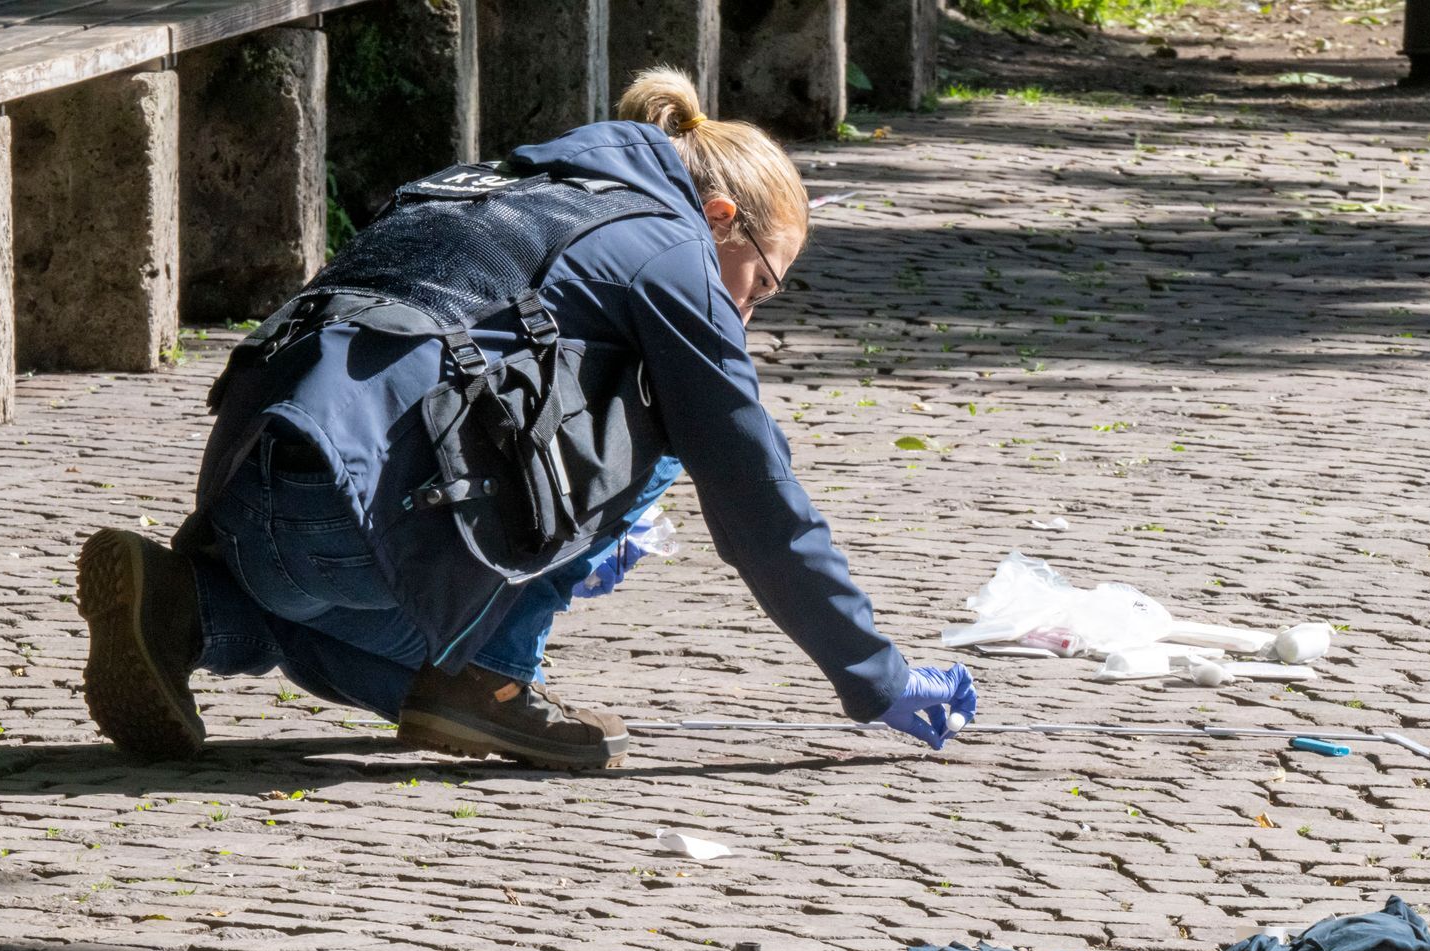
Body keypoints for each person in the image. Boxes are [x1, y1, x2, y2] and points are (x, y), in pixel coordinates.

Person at [74, 68, 978, 770]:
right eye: (759, 287)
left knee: (418, 677)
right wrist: (876, 675)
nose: (744, 317)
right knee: (676, 419)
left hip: (247, 490)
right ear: (719, 217)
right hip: (353, 517)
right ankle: (497, 674)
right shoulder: (672, 248)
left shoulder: (486, 179)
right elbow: (754, 491)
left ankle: (189, 605)